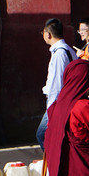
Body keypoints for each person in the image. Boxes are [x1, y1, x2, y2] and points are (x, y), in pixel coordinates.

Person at [37, 18, 77, 149]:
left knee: (43, 134)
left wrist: (52, 108)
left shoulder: (60, 53)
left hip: (60, 102)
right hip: (67, 100)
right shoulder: (68, 50)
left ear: (48, 34)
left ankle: (54, 166)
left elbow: (57, 83)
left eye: (42, 32)